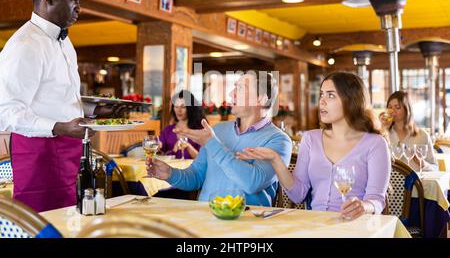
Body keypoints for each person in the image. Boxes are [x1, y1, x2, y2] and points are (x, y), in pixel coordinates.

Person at [0, 0, 122, 212]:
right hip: (39, 151)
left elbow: (61, 97)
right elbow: (6, 111)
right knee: (42, 223)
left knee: (68, 219)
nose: (79, 8)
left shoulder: (65, 41)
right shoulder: (25, 45)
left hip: (68, 146)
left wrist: (96, 109)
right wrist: (59, 127)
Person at [237, 72, 390, 219]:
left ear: (351, 100)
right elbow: (297, 195)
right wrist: (275, 159)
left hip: (357, 226)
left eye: (330, 95)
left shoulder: (375, 144)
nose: (322, 101)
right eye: (321, 94)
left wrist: (363, 206)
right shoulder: (310, 138)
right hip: (318, 225)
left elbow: (376, 200)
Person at [146, 71, 292, 206]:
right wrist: (170, 173)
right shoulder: (218, 130)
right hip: (204, 218)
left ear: (261, 98)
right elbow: (195, 177)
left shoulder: (279, 140)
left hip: (246, 224)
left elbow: (252, 183)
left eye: (240, 89)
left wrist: (212, 143)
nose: (231, 93)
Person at [380, 91, 438, 172]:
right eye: (389, 107)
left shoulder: (422, 136)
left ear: (407, 109)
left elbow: (435, 169)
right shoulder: (384, 135)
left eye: (397, 107)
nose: (392, 111)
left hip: (415, 183)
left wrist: (422, 162)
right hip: (390, 183)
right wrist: (383, 129)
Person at [159, 90, 203, 159]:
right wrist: (157, 147)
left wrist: (188, 146)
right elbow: (160, 154)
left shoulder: (200, 131)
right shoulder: (167, 130)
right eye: (176, 106)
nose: (179, 110)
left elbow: (203, 160)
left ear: (190, 108)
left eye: (183, 107)